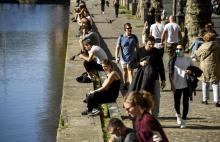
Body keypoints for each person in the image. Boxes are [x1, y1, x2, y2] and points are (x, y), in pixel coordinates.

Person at [129, 36, 166, 117]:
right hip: (142, 79)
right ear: (145, 43)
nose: (151, 46)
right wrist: (140, 64)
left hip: (155, 78)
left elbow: (161, 66)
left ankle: (155, 116)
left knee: (156, 98)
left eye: (153, 44)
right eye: (149, 44)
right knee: (142, 98)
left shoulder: (156, 52)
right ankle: (142, 114)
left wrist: (163, 79)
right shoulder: (139, 51)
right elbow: (131, 65)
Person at [168, 45, 193, 128]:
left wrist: (190, 71)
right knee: (177, 103)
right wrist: (172, 85)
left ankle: (184, 120)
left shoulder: (188, 59)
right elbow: (170, 74)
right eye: (177, 49)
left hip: (186, 84)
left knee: (185, 103)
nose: (178, 50)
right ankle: (178, 116)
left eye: (180, 49)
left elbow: (193, 70)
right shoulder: (173, 59)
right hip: (176, 84)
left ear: (183, 50)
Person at [195, 32, 220, 107]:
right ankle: (217, 101)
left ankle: (205, 99)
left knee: (205, 83)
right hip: (215, 66)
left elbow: (197, 54)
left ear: (205, 39)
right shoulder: (218, 46)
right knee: (215, 83)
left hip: (204, 66)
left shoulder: (203, 46)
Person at [115, 23, 139, 90]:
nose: (130, 29)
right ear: (125, 29)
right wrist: (116, 57)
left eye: (130, 28)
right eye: (128, 28)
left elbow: (137, 48)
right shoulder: (121, 37)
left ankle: (131, 86)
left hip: (132, 58)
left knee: (130, 71)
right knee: (124, 71)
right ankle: (125, 83)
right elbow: (117, 47)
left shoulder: (134, 37)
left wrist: (138, 57)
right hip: (123, 58)